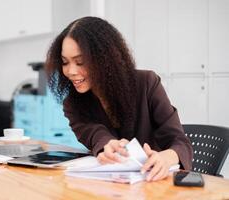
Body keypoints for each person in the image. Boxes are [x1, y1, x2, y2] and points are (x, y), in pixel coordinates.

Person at [45, 16, 193, 182]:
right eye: (65, 62)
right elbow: (94, 134)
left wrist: (167, 157)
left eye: (80, 62)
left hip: (156, 184)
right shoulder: (73, 103)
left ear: (104, 59)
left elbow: (180, 142)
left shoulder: (147, 83)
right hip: (112, 188)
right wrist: (109, 145)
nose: (71, 71)